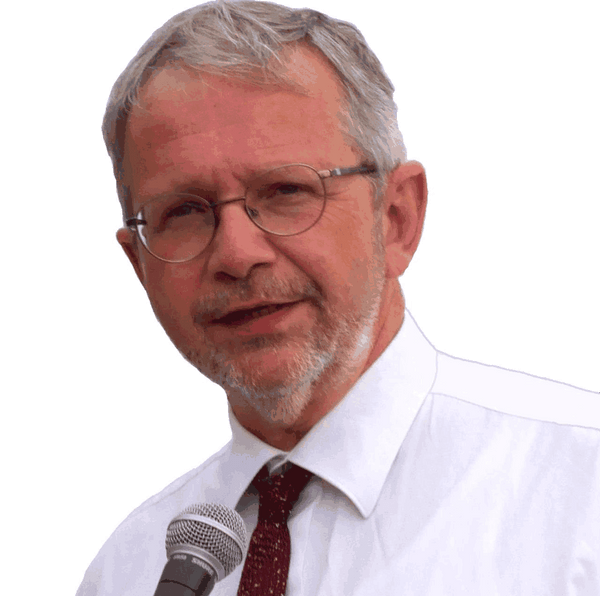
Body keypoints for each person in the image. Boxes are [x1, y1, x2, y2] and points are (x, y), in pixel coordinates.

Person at [81, 1, 599, 594]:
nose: (236, 254)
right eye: (183, 211)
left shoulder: (582, 492)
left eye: (285, 191)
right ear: (140, 263)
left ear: (396, 217)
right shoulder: (128, 570)